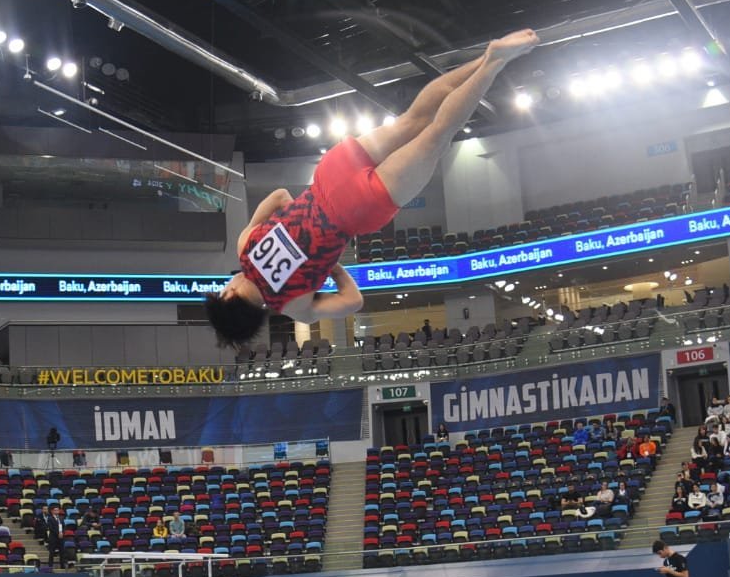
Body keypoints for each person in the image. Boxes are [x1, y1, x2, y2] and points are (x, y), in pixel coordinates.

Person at [204, 29, 541, 347]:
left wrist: (328, 264)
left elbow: (353, 301)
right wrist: (300, 219)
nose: (226, 284)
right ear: (229, 295)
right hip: (331, 174)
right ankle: (483, 58)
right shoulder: (245, 244)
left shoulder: (293, 306)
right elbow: (279, 197)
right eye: (223, 290)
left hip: (356, 210)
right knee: (413, 119)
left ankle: (494, 62)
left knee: (437, 136)